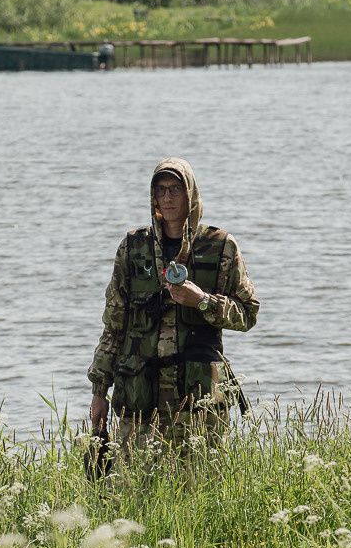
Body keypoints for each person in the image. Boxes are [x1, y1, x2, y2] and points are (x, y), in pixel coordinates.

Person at [88, 157, 258, 447]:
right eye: (161, 189)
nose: (167, 197)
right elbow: (114, 326)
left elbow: (248, 313)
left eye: (176, 189)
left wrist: (202, 301)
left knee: (203, 476)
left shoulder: (220, 246)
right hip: (140, 402)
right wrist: (99, 391)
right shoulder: (133, 247)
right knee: (134, 476)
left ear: (190, 193)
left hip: (199, 404)